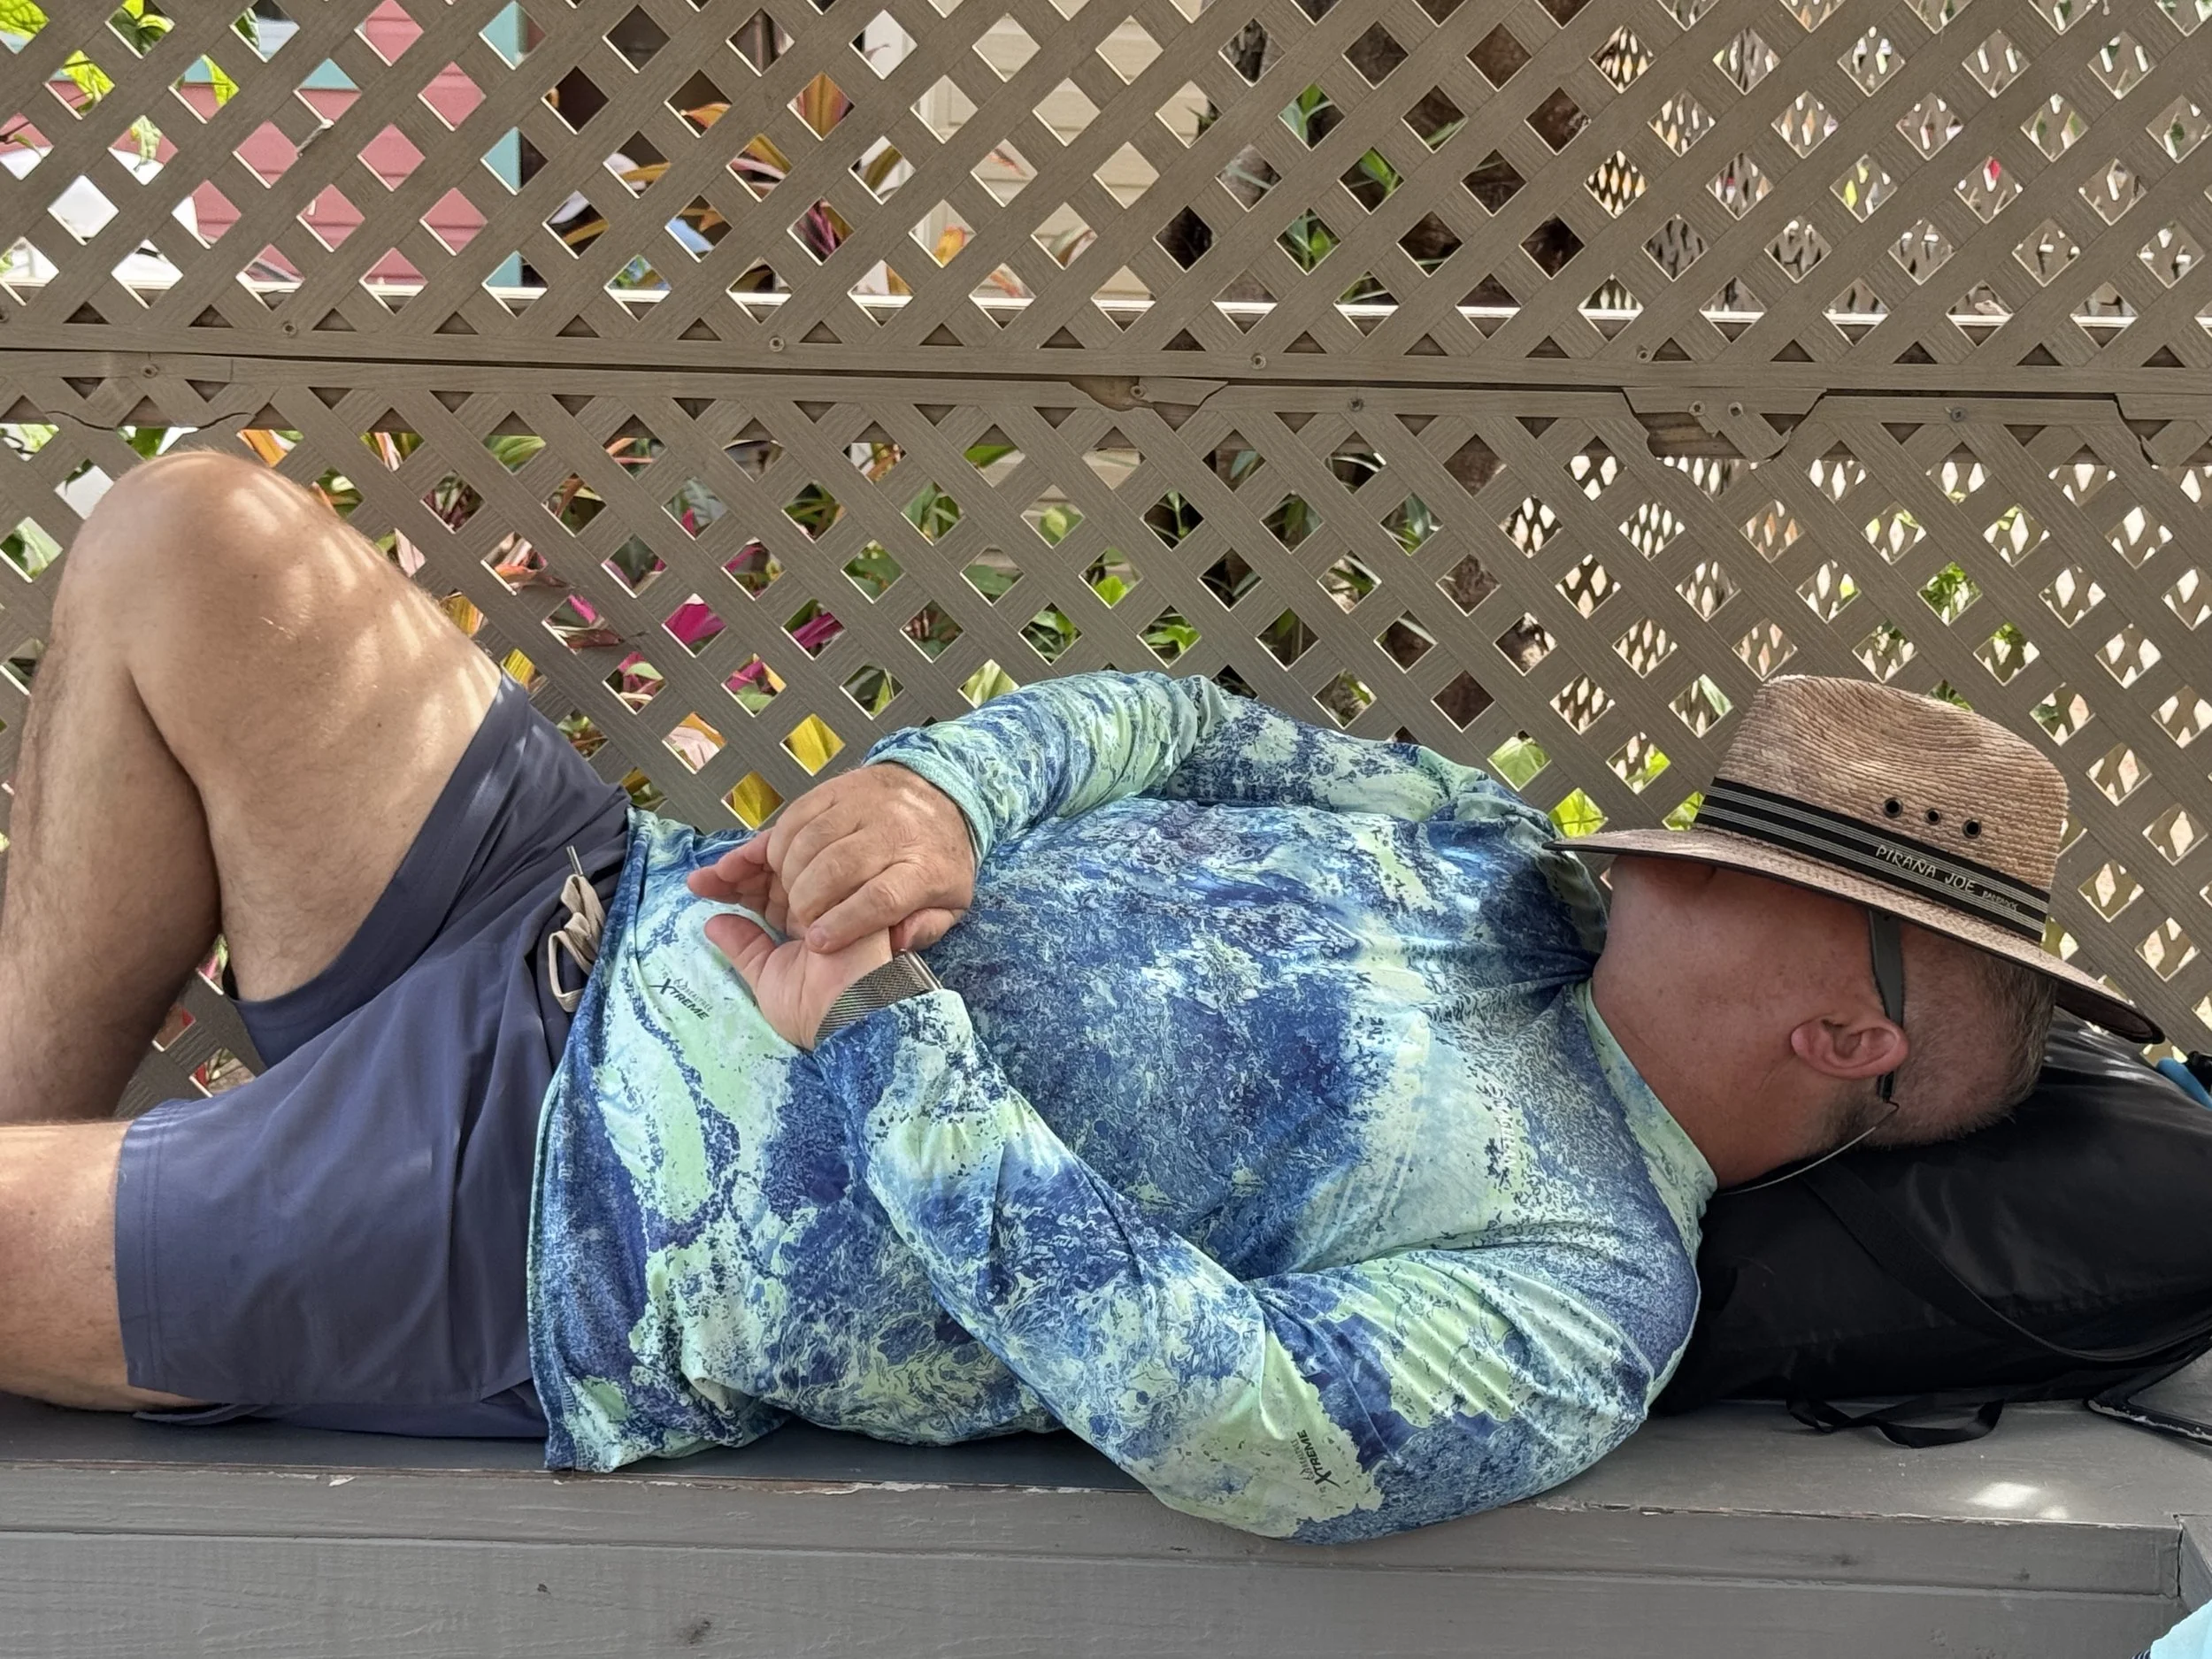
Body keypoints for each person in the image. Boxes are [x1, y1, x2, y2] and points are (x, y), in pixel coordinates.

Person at [0, 451, 2156, 1540]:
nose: (1659, 846)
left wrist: (881, 1037)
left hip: (549, 1232)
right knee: (192, 536)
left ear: (1847, 1033)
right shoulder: (1483, 844)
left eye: (1738, 863)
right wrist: (939, 791)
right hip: (568, 898)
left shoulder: (1583, 1286)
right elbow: (1181, 722)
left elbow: (1226, 1413)